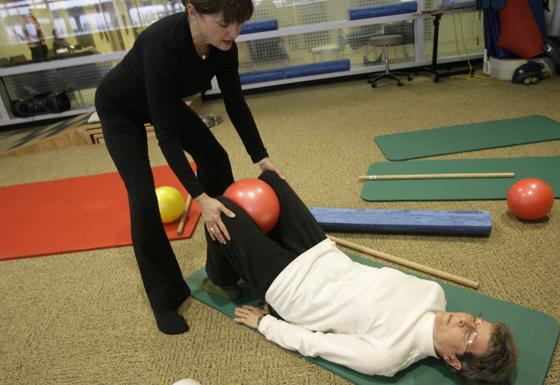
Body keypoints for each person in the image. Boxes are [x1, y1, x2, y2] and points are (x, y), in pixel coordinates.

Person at [205, 171, 517, 385]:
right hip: (322, 253)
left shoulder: (389, 356)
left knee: (221, 209)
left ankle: (220, 274)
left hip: (291, 288)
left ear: (453, 361)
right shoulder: (434, 293)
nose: (465, 321)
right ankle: (242, 252)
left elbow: (314, 344)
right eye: (477, 321)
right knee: (269, 181)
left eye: (471, 337)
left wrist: (265, 324)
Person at [94, 0, 284, 335]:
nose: (234, 33)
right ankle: (164, 299)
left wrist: (261, 157)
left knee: (216, 159)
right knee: (142, 197)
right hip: (120, 107)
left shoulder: (223, 47)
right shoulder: (161, 43)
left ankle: (223, 263)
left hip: (161, 101)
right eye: (225, 23)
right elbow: (166, 137)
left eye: (240, 23)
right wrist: (199, 197)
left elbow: (235, 103)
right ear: (193, 11)